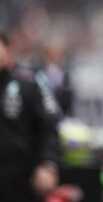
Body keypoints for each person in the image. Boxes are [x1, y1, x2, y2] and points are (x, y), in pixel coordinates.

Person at [0, 31, 61, 202]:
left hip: (21, 179)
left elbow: (49, 127)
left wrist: (47, 165)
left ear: (8, 51)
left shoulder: (29, 83)